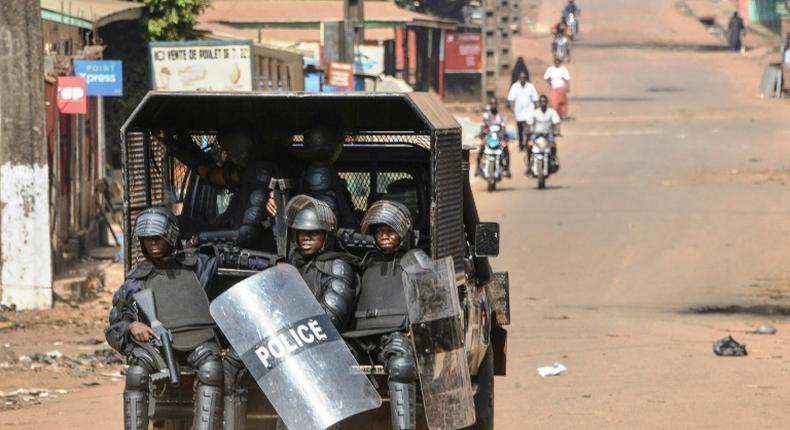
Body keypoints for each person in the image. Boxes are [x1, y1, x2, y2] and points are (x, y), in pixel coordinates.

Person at [105, 207, 274, 430]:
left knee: (212, 369)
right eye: (147, 239)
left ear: (171, 236)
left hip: (197, 339)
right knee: (136, 374)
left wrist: (276, 263)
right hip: (155, 347)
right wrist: (131, 326)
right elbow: (117, 320)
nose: (153, 243)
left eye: (158, 238)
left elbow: (234, 258)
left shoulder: (197, 265)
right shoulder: (136, 279)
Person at [343, 200, 428, 430]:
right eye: (380, 231)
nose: (384, 236)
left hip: (396, 332)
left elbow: (430, 301)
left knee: (401, 364)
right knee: (332, 362)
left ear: (403, 233)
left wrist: (416, 328)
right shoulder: (366, 262)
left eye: (390, 230)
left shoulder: (416, 261)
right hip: (359, 334)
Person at [161, 123, 282, 251]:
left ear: (242, 151)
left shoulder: (260, 174)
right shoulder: (244, 174)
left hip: (246, 248)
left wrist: (199, 239)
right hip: (230, 236)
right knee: (178, 222)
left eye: (229, 150)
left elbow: (247, 234)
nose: (227, 157)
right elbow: (211, 175)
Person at [285, 194, 357, 331]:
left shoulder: (336, 267)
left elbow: (333, 318)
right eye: (302, 232)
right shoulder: (294, 264)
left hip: (322, 343)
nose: (305, 237)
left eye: (313, 233)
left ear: (326, 237)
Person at [476, 97, 511, 177]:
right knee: (481, 145)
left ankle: (506, 168)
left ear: (497, 105)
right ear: (490, 105)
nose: (493, 105)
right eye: (492, 104)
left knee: (505, 146)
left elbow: (503, 127)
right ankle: (478, 167)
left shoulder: (501, 116)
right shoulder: (486, 115)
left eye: (495, 104)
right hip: (488, 137)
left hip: (498, 137)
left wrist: (502, 133)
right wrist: (483, 132)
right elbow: (483, 126)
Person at [527, 95, 561, 172]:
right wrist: (528, 131)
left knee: (553, 145)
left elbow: (556, 122)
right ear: (539, 103)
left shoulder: (551, 112)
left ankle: (553, 159)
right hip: (536, 135)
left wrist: (557, 131)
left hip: (548, 134)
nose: (543, 103)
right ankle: (529, 163)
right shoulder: (535, 112)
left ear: (547, 102)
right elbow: (529, 123)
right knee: (529, 145)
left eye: (544, 102)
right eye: (541, 102)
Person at [507, 71, 539, 151]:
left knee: (528, 130)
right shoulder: (515, 87)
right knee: (520, 131)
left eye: (524, 78)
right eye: (521, 78)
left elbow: (535, 99)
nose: (522, 80)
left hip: (529, 113)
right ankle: (521, 145)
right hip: (519, 114)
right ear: (518, 78)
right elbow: (511, 99)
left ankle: (528, 145)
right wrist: (513, 109)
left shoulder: (530, 87)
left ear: (526, 78)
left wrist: (535, 111)